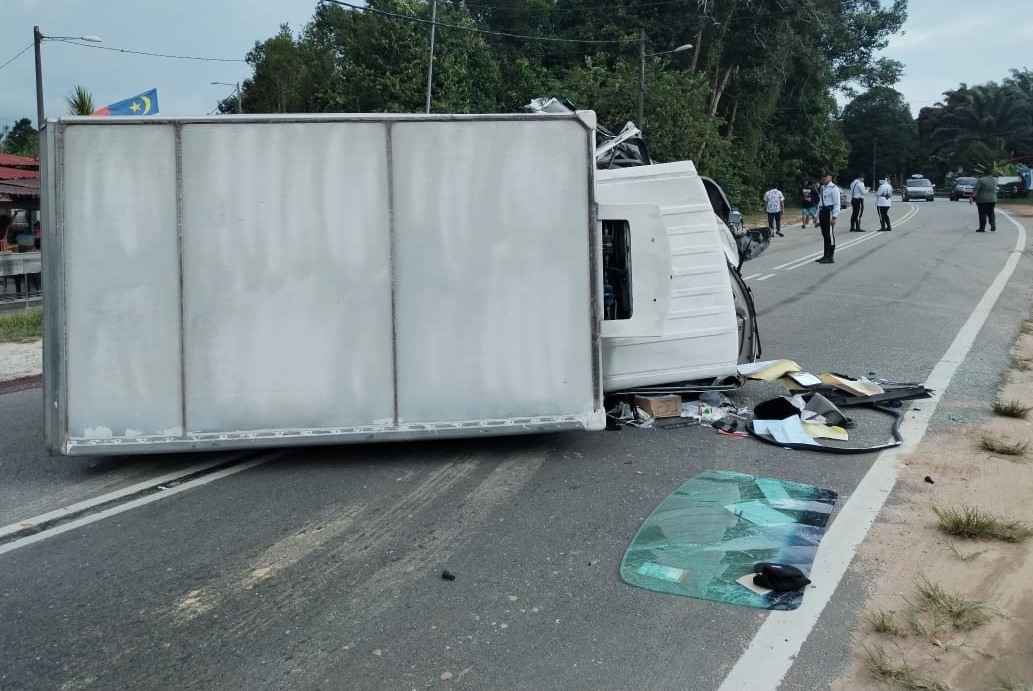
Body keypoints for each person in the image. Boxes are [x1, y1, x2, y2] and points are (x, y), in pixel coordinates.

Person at [815, 168, 839, 263]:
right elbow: (820, 203)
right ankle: (825, 255)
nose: (823, 178)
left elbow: (837, 204)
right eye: (822, 177)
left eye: (825, 176)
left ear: (830, 177)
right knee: (824, 234)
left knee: (829, 234)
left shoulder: (834, 189)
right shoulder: (822, 188)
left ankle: (830, 256)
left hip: (829, 212)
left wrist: (834, 217)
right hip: (822, 211)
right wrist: (816, 216)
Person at [970, 168, 997, 232]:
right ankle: (993, 225)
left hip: (982, 200)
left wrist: (971, 197)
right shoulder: (995, 180)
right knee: (991, 213)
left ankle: (982, 228)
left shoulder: (981, 180)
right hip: (992, 199)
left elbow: (976, 190)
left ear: (984, 173)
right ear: (991, 173)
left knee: (982, 214)